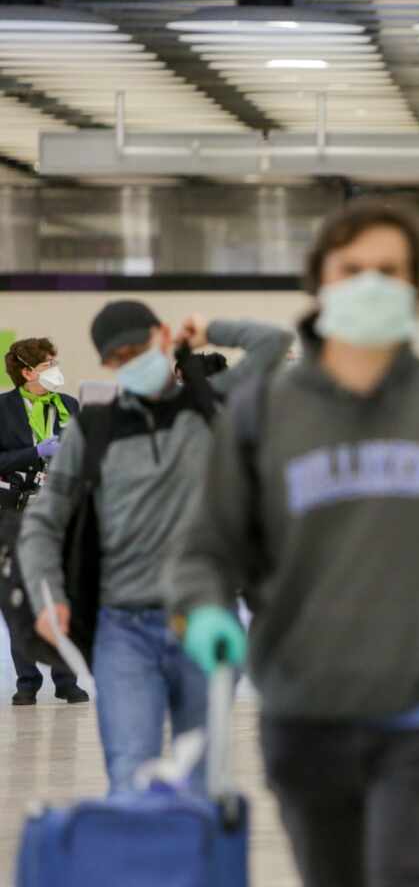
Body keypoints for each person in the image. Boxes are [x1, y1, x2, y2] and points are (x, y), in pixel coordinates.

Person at [166, 198, 419, 887]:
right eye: (351, 269)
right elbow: (207, 548)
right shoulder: (263, 410)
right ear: (318, 282)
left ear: (417, 286)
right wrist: (201, 607)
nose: (369, 284)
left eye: (388, 270)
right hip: (304, 716)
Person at [19, 304, 292, 792]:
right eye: (119, 356)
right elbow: (43, 521)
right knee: (130, 774)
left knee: (204, 778)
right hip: (123, 631)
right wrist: (48, 595)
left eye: (140, 348)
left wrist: (210, 329)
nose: (132, 360)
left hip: (204, 620)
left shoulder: (209, 406)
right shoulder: (92, 429)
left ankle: (197, 866)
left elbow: (274, 344)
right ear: (108, 364)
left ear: (162, 339)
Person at [0, 338, 87, 706]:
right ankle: (27, 681)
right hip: (14, 509)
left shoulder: (68, 406)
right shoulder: (2, 408)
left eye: (55, 360)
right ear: (26, 371)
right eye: (48, 362)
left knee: (62, 592)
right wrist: (33, 452)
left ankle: (66, 679)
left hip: (60, 510)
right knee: (20, 594)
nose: (55, 367)